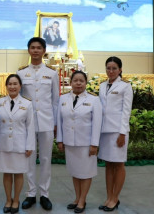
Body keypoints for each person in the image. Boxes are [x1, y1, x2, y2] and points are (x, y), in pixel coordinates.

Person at [17, 37, 59, 211]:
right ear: (28, 50)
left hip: (47, 121)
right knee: (29, 158)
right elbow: (18, 98)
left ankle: (45, 194)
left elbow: (56, 100)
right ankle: (31, 194)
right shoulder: (20, 73)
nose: (35, 51)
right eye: (32, 48)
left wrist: (55, 122)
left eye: (38, 48)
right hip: (27, 123)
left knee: (46, 158)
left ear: (43, 51)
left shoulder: (51, 73)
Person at [56, 71, 102, 213]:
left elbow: (97, 123)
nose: (78, 83)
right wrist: (60, 140)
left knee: (86, 173)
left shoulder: (94, 100)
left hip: (86, 143)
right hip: (70, 143)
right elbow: (59, 120)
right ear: (70, 82)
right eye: (75, 80)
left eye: (81, 80)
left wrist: (94, 144)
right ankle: (77, 198)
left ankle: (82, 200)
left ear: (85, 83)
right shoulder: (63, 98)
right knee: (75, 172)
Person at [0, 74, 35, 214]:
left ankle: (16, 199)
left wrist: (30, 146)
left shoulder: (27, 103)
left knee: (18, 174)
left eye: (15, 84)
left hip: (20, 144)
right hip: (4, 143)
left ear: (20, 86)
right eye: (10, 84)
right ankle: (8, 199)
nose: (12, 86)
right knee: (6, 173)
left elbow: (30, 127)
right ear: (6, 86)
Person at [98, 57, 133, 212]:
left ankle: (115, 198)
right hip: (104, 131)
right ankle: (109, 196)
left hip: (118, 131)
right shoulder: (102, 86)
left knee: (118, 164)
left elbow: (126, 112)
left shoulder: (125, 86)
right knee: (108, 164)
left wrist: (122, 133)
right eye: (108, 68)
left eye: (114, 68)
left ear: (120, 69)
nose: (110, 71)